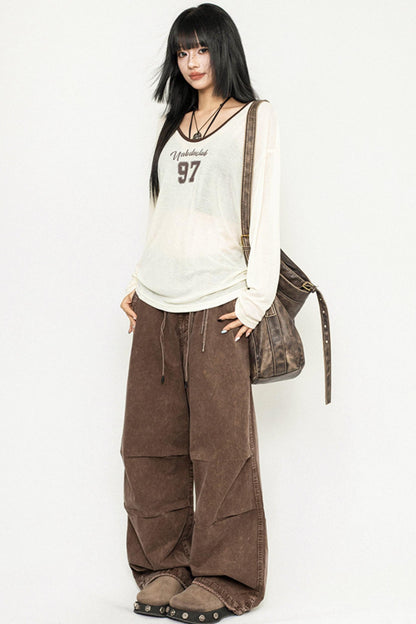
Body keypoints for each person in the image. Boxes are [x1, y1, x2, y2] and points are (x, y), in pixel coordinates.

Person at [119, 3, 280, 622]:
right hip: (156, 302)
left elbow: (263, 208)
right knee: (149, 446)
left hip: (219, 303)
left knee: (222, 448)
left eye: (202, 48)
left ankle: (223, 576)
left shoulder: (254, 118)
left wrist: (255, 297)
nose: (191, 61)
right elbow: (163, 212)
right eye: (182, 51)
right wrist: (136, 281)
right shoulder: (172, 123)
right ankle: (164, 567)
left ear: (223, 49)